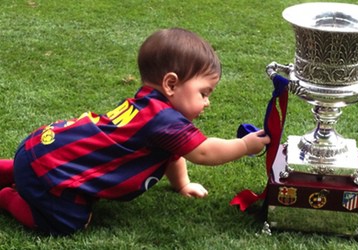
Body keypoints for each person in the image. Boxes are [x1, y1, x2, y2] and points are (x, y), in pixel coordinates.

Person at [0, 28, 270, 236]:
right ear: (171, 84)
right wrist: (245, 146)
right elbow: (203, 151)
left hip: (42, 147)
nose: (207, 102)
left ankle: (12, 171)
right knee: (72, 222)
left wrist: (183, 184)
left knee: (35, 169)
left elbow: (172, 154)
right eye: (204, 93)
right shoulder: (163, 120)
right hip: (51, 170)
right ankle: (9, 197)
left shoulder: (147, 106)